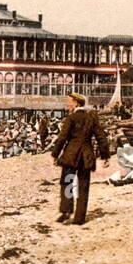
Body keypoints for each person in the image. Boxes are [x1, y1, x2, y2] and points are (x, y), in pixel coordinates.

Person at [50, 92, 110, 225]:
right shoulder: (91, 118)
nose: (68, 104)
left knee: (67, 182)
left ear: (77, 103)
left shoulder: (71, 118)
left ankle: (66, 211)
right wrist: (105, 156)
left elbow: (62, 138)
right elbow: (101, 137)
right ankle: (80, 218)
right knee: (83, 186)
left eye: (70, 102)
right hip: (86, 156)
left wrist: (55, 154)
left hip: (71, 155)